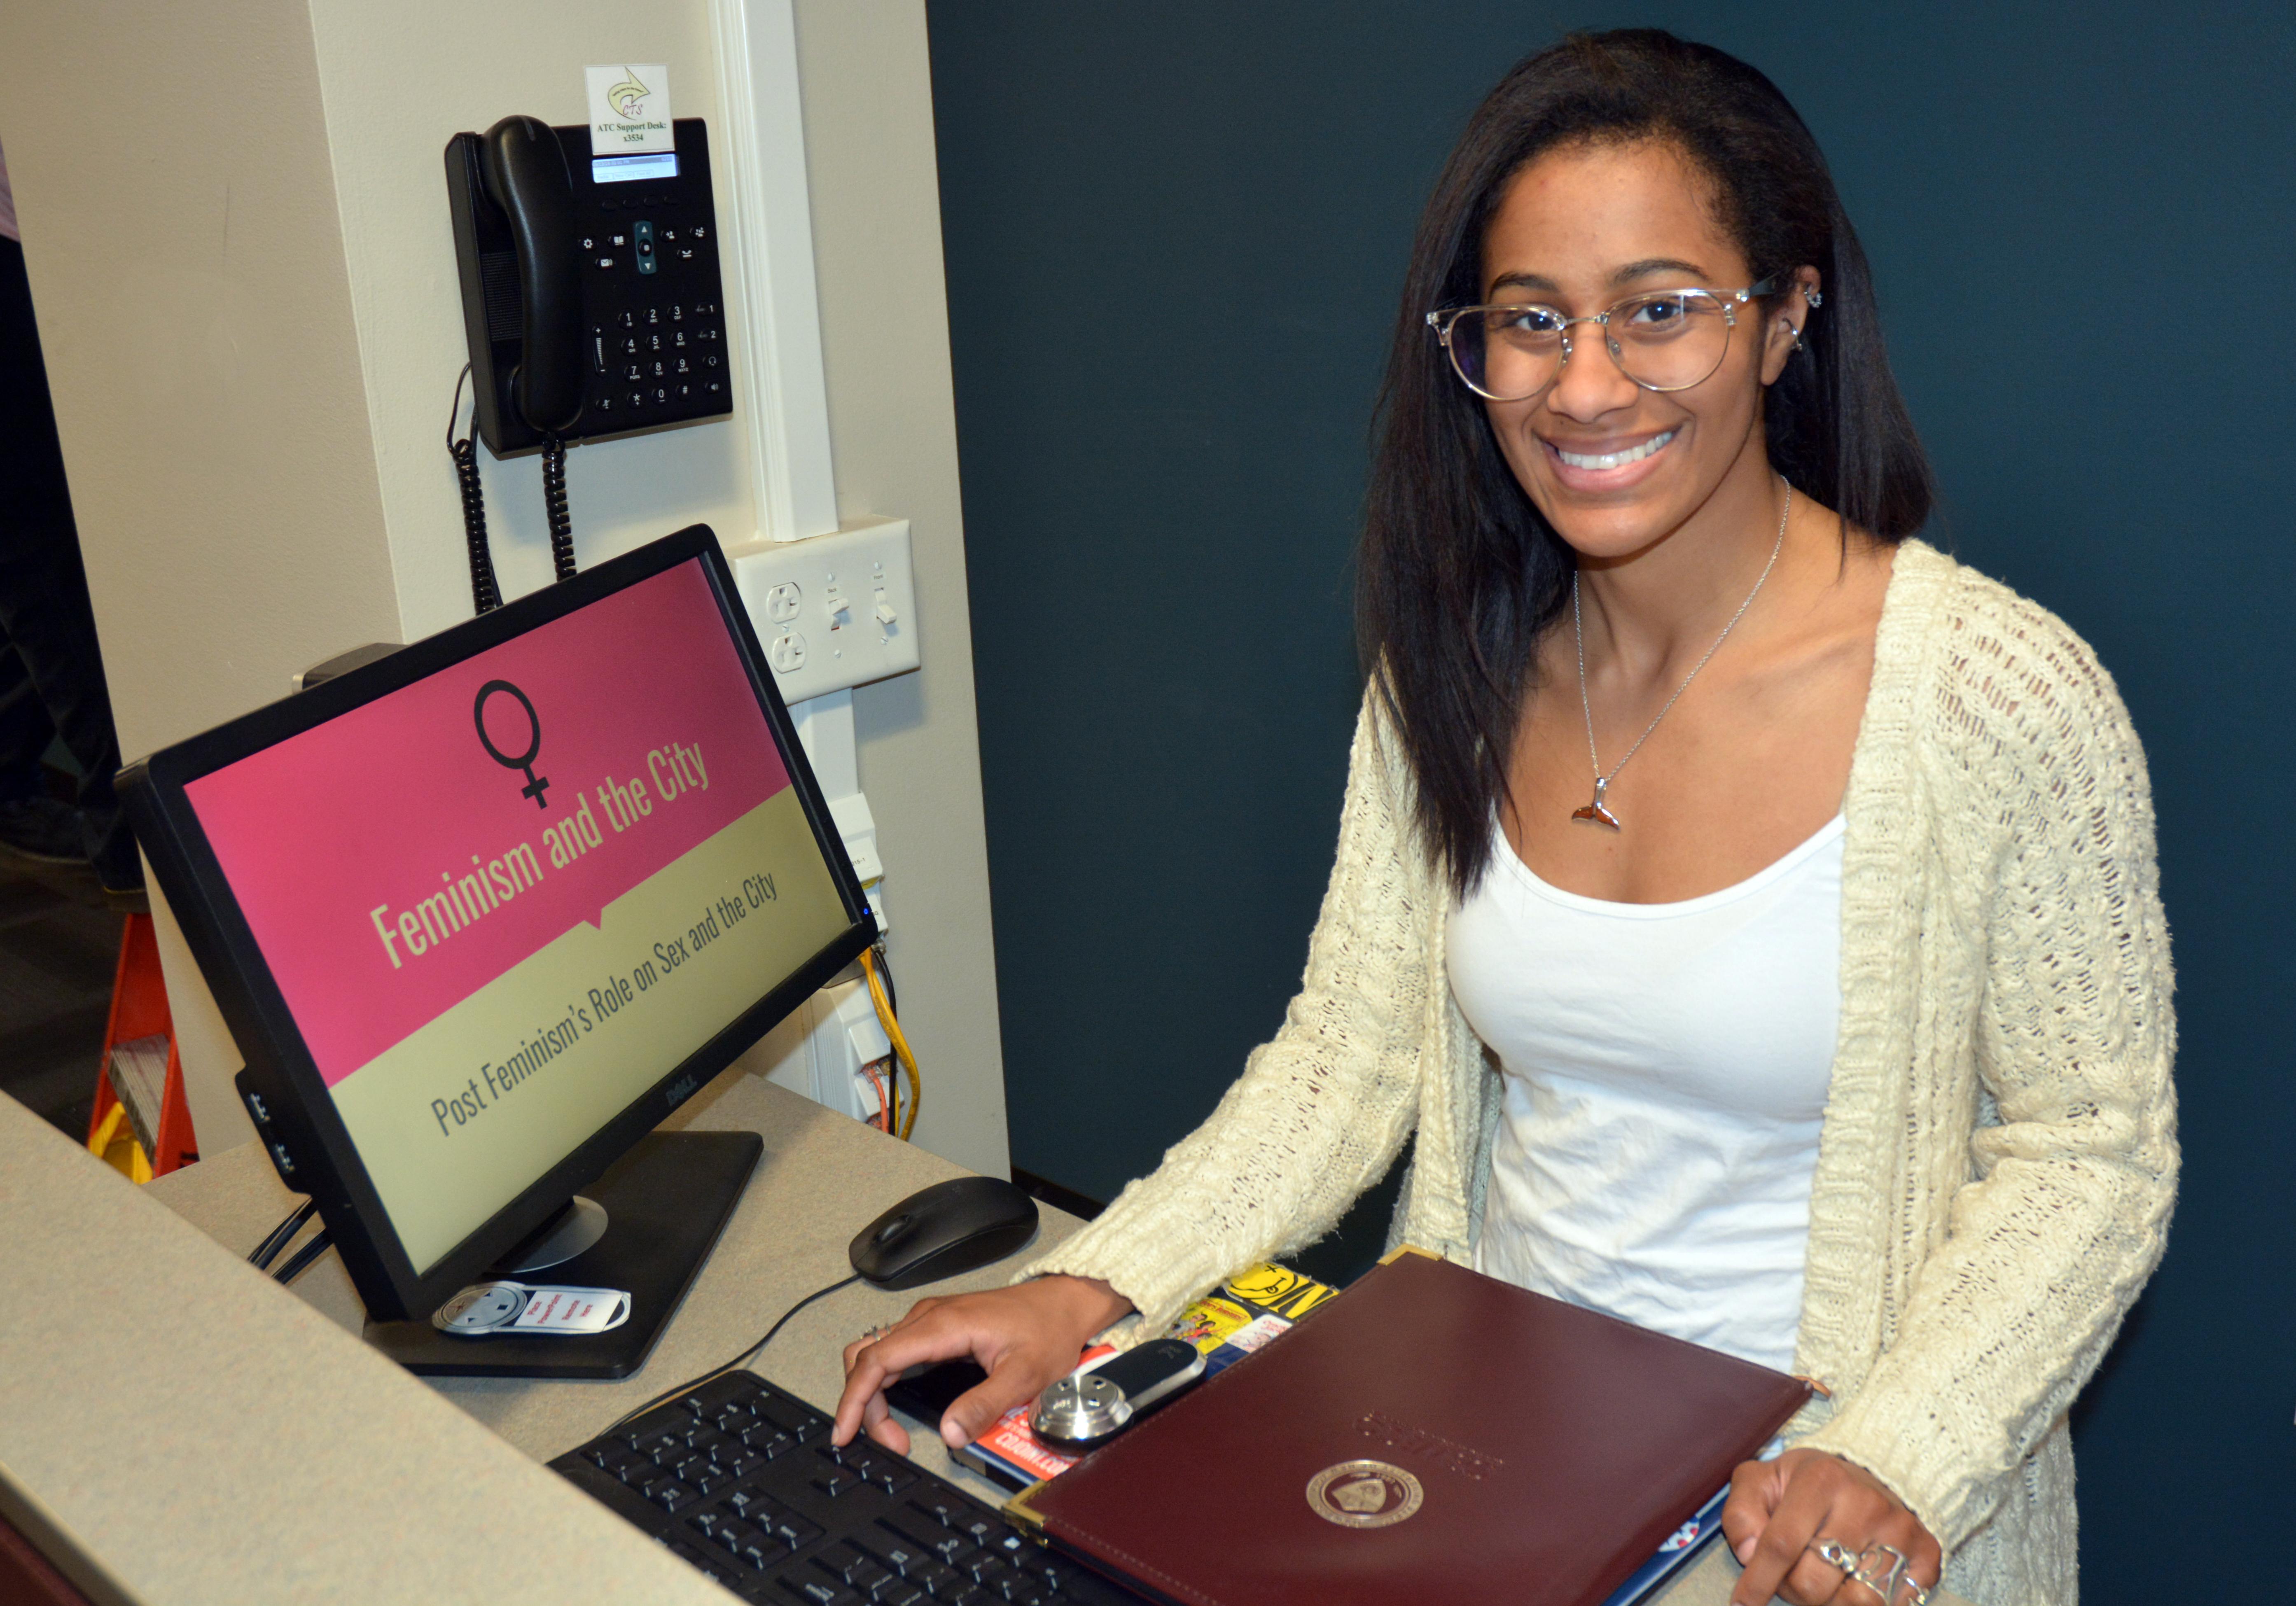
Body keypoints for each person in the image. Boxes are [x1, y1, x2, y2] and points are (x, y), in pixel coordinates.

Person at [835, 31, 2175, 1606]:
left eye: (1657, 309)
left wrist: (1897, 1450)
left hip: (1807, 1519)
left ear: (1784, 318)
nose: (1584, 383)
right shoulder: (1447, 680)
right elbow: (1346, 1053)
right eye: (1529, 321)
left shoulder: (1997, 698)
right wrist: (1094, 1276)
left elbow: (2090, 1154)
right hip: (1478, 1485)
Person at [0, 135, 141, 904]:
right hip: (23, 258)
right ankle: (135, 856)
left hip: (68, 246)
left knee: (43, 567)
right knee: (46, 562)